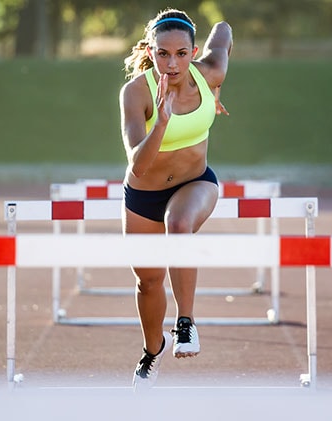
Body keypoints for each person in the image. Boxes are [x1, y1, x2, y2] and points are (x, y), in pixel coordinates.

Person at [120, 8, 232, 391]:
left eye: (182, 54)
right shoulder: (136, 92)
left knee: (180, 224)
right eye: (163, 54)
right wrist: (162, 122)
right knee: (148, 282)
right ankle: (153, 350)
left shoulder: (211, 71)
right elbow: (137, 166)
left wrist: (216, 90)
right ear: (150, 52)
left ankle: (186, 322)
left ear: (194, 51)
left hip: (195, 182)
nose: (172, 63)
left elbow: (224, 29)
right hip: (144, 194)